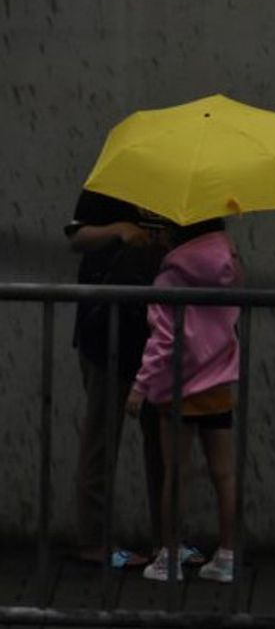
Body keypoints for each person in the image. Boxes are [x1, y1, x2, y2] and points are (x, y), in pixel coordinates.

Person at [65, 190, 206, 568]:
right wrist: (119, 230)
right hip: (107, 326)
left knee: (163, 440)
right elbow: (76, 237)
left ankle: (168, 539)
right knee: (102, 435)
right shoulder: (112, 179)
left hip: (159, 333)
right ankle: (93, 540)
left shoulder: (191, 185)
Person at [124, 218, 242, 583]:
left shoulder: (169, 278)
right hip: (218, 384)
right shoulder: (231, 269)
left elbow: (163, 341)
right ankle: (227, 556)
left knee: (175, 474)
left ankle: (169, 557)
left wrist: (139, 387)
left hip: (179, 388)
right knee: (223, 475)